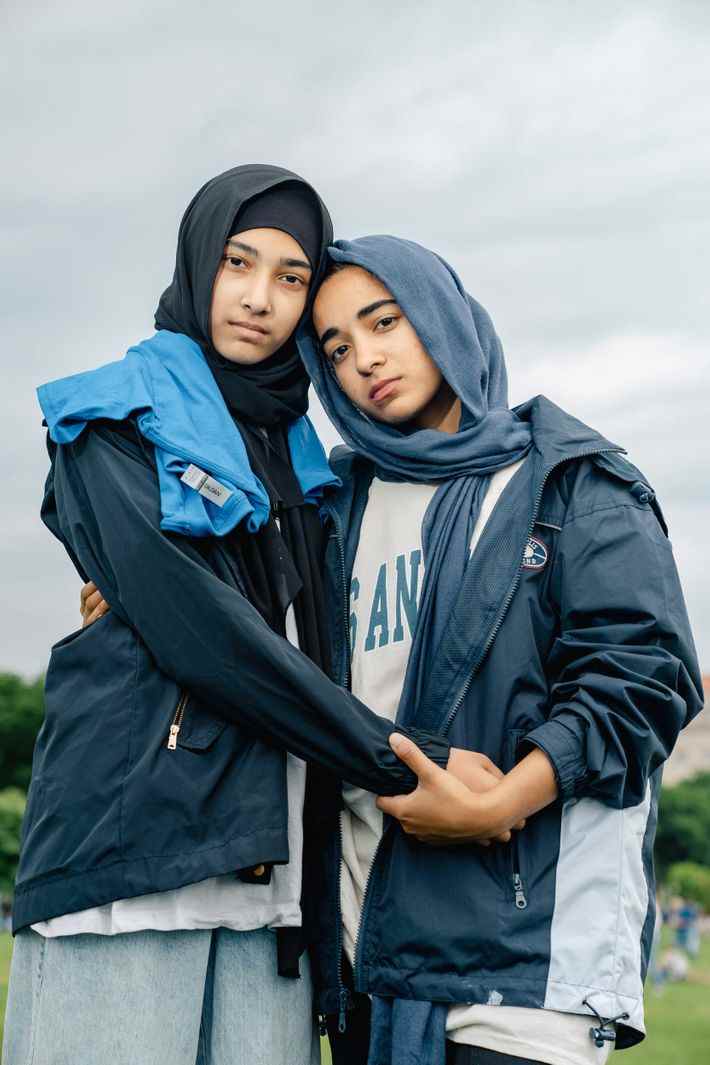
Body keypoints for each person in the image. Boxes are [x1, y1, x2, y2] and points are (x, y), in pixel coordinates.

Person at [3, 172, 492, 1065]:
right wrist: (400, 762)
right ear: (201, 261)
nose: (260, 298)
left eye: (292, 277)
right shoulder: (111, 419)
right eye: (239, 262)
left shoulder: (307, 467)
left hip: (272, 883)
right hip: (134, 861)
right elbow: (208, 633)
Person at [292, 235, 704, 1065]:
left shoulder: (573, 482)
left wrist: (501, 801)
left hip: (521, 964)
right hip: (364, 952)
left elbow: (643, 679)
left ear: (443, 315)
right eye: (336, 347)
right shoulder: (331, 508)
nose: (365, 357)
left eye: (385, 320)